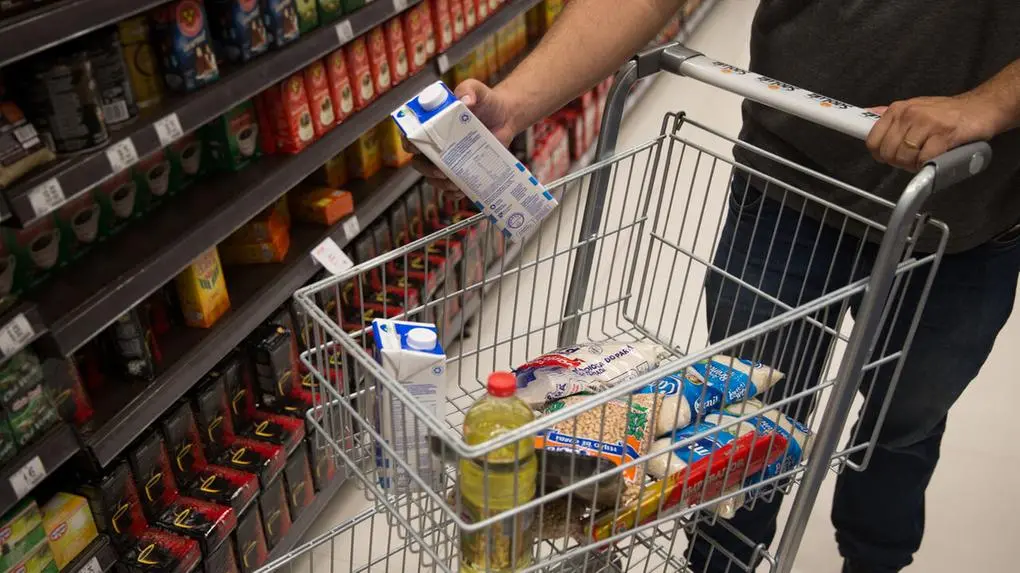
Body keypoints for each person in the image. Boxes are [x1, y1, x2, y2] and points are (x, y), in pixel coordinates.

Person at [412, 1, 1020, 571]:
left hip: (963, 211)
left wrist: (994, 101)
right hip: (788, 183)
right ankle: (723, 559)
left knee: (903, 427)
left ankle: (874, 558)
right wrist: (515, 102)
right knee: (735, 427)